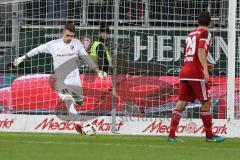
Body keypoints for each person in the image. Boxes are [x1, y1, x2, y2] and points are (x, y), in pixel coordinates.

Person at [13, 24, 107, 116]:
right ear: (62, 34)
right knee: (68, 99)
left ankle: (77, 101)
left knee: (79, 101)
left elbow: (86, 58)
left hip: (75, 79)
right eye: (67, 35)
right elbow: (37, 50)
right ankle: (79, 123)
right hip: (61, 80)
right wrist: (23, 57)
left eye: (72, 36)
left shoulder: (77, 43)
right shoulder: (53, 44)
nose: (69, 38)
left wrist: (98, 71)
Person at [167, 11, 225, 142]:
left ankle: (171, 135)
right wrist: (204, 69)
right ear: (210, 22)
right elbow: (200, 50)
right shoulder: (206, 33)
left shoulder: (191, 34)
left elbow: (185, 51)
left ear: (198, 22)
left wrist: (202, 64)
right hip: (196, 74)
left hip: (185, 71)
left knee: (181, 103)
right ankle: (209, 136)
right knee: (206, 102)